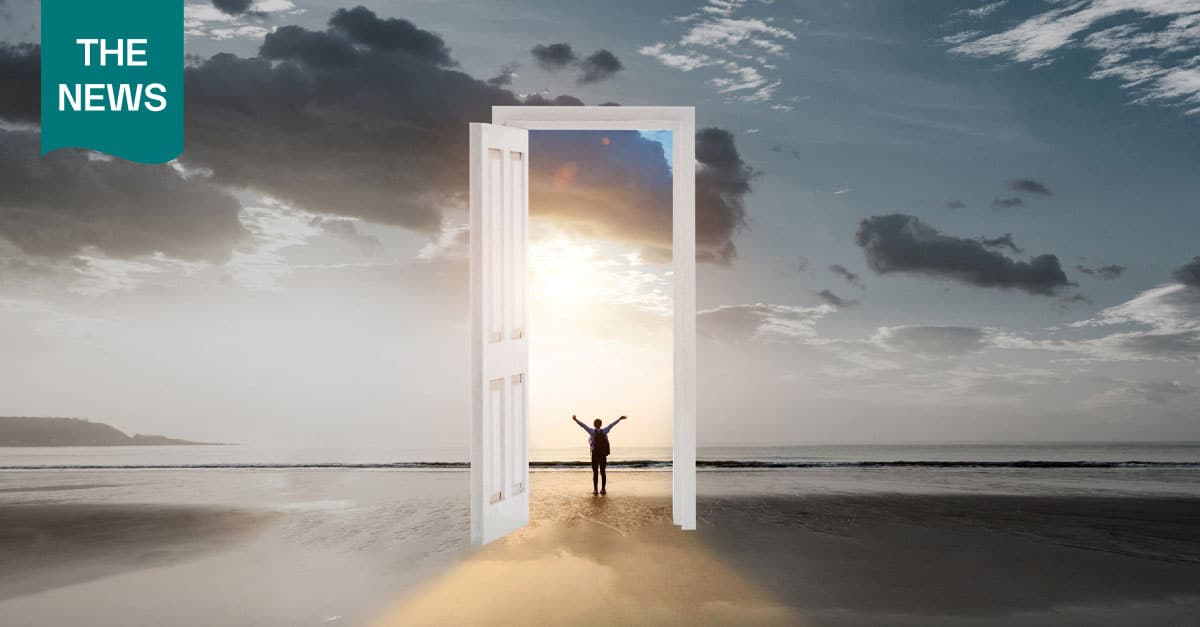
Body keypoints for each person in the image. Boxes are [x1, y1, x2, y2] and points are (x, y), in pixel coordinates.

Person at [571, 414, 627, 495]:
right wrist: (619, 419)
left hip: (595, 454)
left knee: (595, 472)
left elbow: (583, 426)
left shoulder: (592, 431)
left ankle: (595, 489)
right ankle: (603, 489)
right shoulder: (605, 431)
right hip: (603, 454)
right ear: (601, 424)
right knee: (603, 472)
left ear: (594, 425)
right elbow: (612, 425)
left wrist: (575, 420)